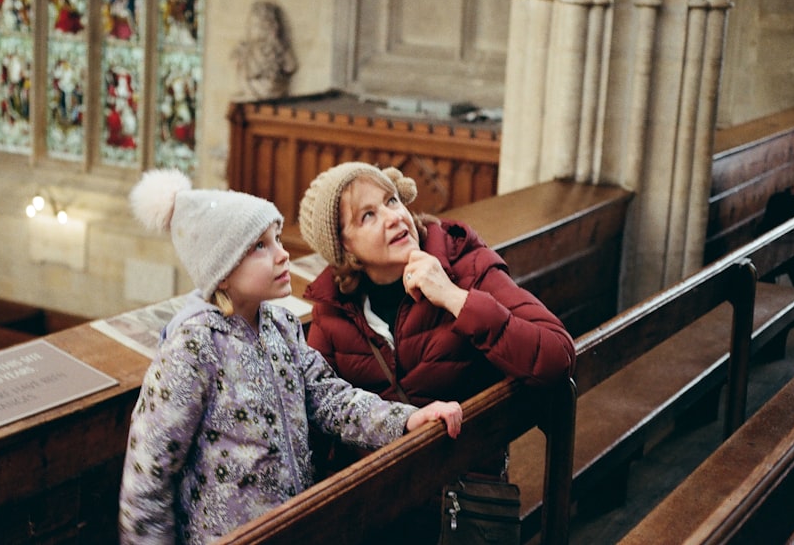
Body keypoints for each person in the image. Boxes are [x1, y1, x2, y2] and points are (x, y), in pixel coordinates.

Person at [118, 168, 463, 545]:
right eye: (260, 246)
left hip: (293, 528)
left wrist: (409, 419)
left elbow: (331, 399)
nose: (283, 255)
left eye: (278, 239)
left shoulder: (280, 325)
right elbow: (147, 476)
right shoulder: (194, 347)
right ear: (222, 270)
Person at [297, 162, 576, 540]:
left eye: (392, 201)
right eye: (368, 216)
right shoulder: (333, 311)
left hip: (459, 503)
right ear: (344, 247)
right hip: (379, 509)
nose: (394, 218)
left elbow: (557, 357)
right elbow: (317, 424)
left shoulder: (467, 267)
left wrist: (454, 297)